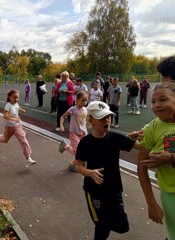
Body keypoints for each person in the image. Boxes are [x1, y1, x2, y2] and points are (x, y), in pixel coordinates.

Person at [75, 101, 138, 240]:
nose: (107, 120)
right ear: (91, 120)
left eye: (108, 117)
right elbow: (79, 166)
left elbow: (139, 146)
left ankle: (105, 222)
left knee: (123, 225)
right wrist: (90, 173)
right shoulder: (85, 142)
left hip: (114, 188)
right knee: (102, 226)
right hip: (94, 191)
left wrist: (149, 136)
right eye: (102, 118)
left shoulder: (115, 138)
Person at [137, 82, 175, 240]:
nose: (157, 105)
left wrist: (171, 158)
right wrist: (151, 202)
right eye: (153, 102)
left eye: (163, 100)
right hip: (171, 192)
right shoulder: (151, 129)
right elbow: (141, 167)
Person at [0, 89, 36, 167]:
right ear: (10, 97)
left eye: (17, 98)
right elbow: (5, 116)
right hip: (9, 127)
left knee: (23, 140)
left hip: (17, 126)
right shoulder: (8, 105)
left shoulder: (16, 104)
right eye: (14, 97)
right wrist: (14, 119)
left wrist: (21, 109)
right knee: (5, 140)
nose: (16, 99)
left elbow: (17, 107)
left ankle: (28, 158)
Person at [59, 91, 88, 172]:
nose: (84, 102)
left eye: (86, 100)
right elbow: (63, 117)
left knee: (84, 151)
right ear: (77, 99)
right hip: (74, 133)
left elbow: (86, 120)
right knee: (79, 153)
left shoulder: (85, 110)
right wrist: (61, 125)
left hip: (83, 133)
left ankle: (72, 165)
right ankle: (65, 146)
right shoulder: (73, 109)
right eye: (82, 100)